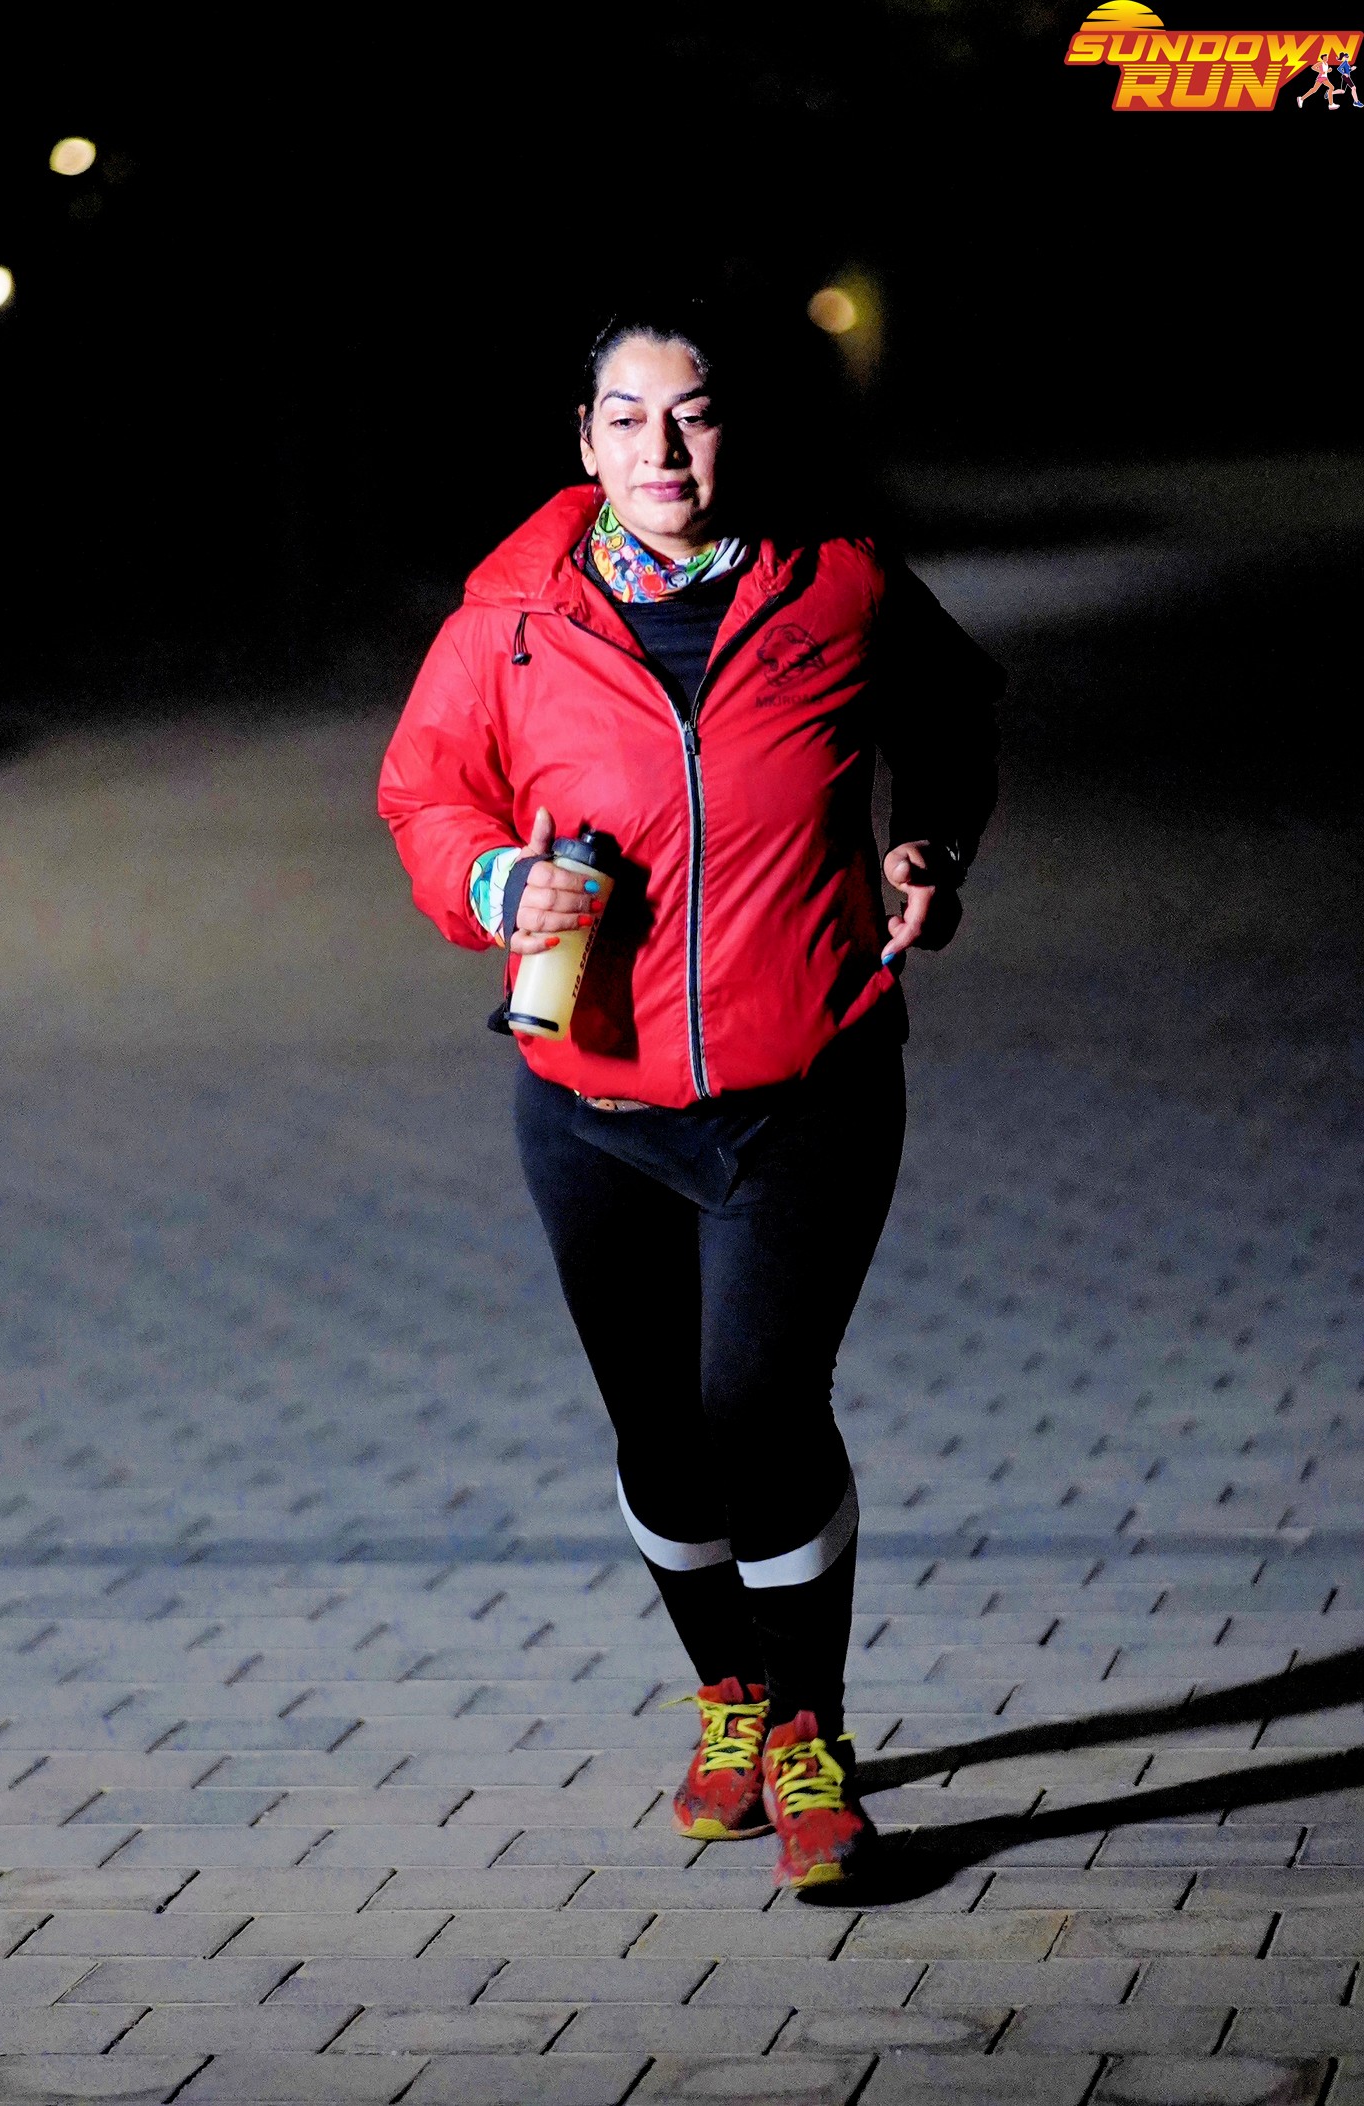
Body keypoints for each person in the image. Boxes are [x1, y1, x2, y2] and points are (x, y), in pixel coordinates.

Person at [378, 306, 1003, 1888]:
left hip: (807, 1084)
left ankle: (811, 1732)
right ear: (584, 442)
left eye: (695, 413)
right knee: (659, 1430)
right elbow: (425, 791)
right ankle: (730, 1689)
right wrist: (496, 879)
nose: (663, 447)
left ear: (735, 431)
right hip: (590, 1099)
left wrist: (928, 842)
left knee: (759, 1406)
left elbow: (952, 707)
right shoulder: (510, 621)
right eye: (628, 417)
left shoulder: (837, 580)